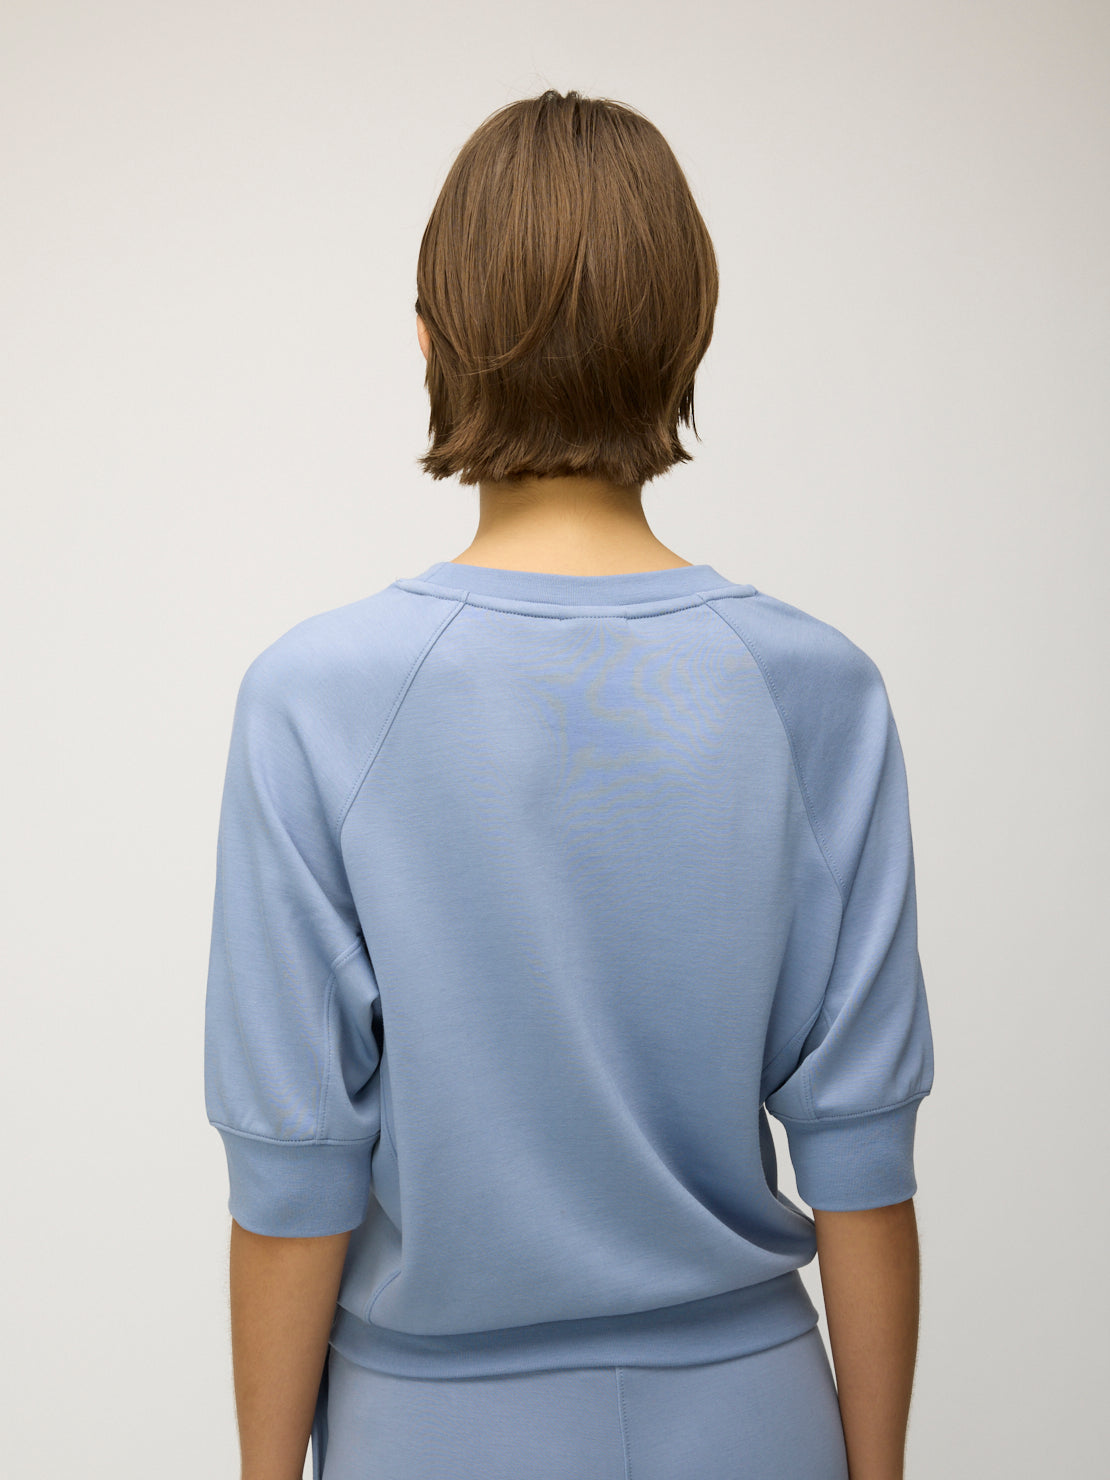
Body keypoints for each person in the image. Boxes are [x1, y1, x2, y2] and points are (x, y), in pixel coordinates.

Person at [204, 89, 934, 1480]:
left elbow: (293, 1178)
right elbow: (860, 1156)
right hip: (753, 1415)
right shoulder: (817, 688)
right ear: (691, 335)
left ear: (430, 339)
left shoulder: (314, 697)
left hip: (429, 1431)